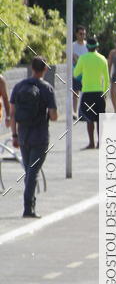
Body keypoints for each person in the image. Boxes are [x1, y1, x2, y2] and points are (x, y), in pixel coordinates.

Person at [9, 56, 57, 218]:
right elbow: (54, 116)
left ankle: (30, 203)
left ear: (31, 67)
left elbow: (12, 114)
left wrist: (14, 135)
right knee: (33, 172)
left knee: (29, 171)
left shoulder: (19, 86)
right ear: (45, 69)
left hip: (23, 136)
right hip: (40, 137)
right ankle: (28, 208)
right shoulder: (47, 88)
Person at [73, 36, 110, 149]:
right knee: (100, 119)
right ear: (97, 46)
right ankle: (100, 143)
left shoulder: (83, 58)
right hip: (99, 93)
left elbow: (75, 73)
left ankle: (91, 143)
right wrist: (105, 92)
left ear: (87, 47)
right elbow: (107, 79)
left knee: (89, 118)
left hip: (87, 93)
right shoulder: (103, 59)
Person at [72, 25, 88, 115]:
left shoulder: (88, 46)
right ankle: (74, 112)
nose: (82, 36)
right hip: (76, 72)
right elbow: (71, 58)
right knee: (75, 93)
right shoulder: (73, 46)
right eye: (81, 34)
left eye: (84, 34)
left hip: (86, 72)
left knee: (85, 93)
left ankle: (83, 112)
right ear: (76, 34)